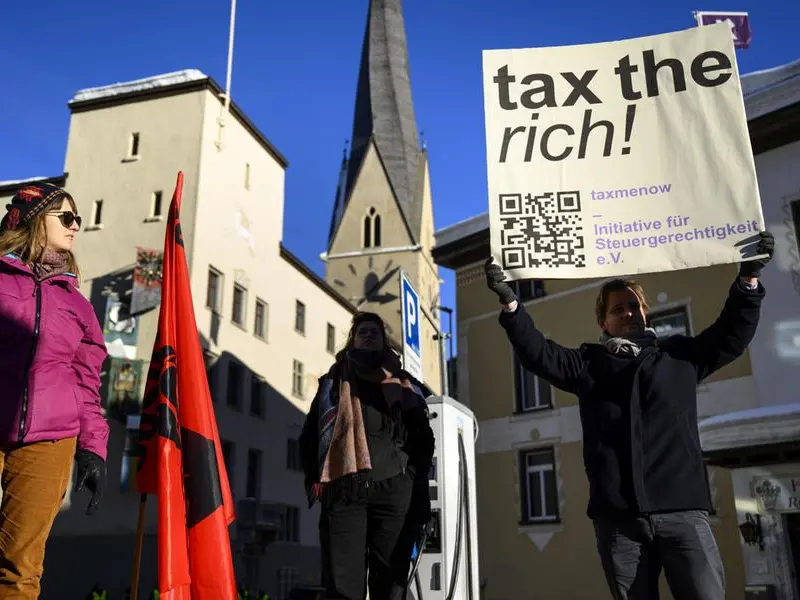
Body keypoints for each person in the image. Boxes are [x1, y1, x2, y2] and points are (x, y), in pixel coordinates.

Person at [484, 230, 775, 600]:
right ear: (603, 322)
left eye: (634, 306)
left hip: (683, 512)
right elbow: (538, 353)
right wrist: (511, 303)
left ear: (645, 312)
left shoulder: (680, 357)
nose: (628, 313)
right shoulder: (587, 365)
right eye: (617, 309)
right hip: (620, 522)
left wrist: (748, 279)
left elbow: (731, 334)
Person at [0, 183, 109, 598]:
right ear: (32, 220)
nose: (75, 225)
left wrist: (92, 449)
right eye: (66, 217)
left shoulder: (77, 304)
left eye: (77, 218)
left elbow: (86, 383)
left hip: (50, 441)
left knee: (21, 567)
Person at [299, 311, 434, 600]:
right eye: (363, 332)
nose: (369, 336)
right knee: (343, 583)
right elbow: (310, 435)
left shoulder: (403, 382)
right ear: (352, 341)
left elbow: (423, 439)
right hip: (345, 491)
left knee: (391, 581)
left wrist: (410, 480)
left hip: (394, 490)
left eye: (375, 332)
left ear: (384, 341)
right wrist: (317, 476)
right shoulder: (332, 383)